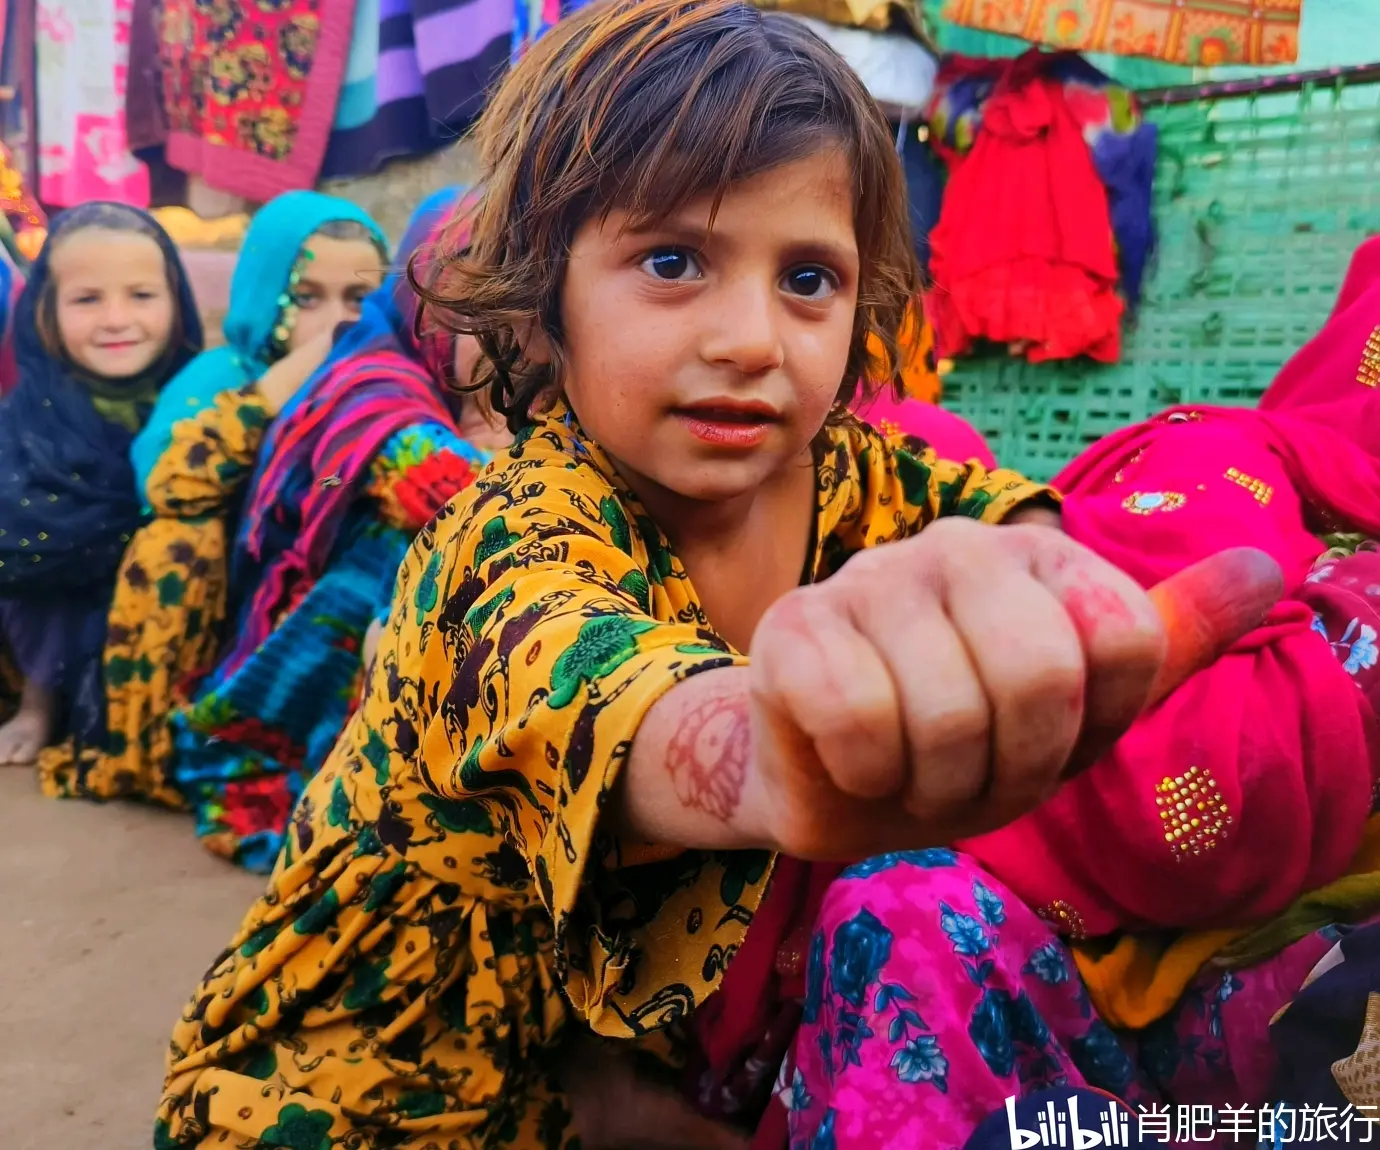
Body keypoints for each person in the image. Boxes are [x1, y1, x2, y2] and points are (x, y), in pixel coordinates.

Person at [152, 3, 1236, 1146]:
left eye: (808, 278)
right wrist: (764, 757)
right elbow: (579, 676)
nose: (753, 339)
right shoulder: (516, 526)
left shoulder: (852, 474)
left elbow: (1012, 526)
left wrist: (1058, 588)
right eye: (673, 261)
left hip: (606, 1033)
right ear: (546, 296)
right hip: (357, 1070)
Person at [161, 188, 505, 872]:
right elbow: (450, 491)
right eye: (476, 310)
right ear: (423, 302)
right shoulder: (369, 379)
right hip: (295, 666)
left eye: (526, 309)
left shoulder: (461, 384)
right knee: (416, 559)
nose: (505, 336)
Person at [39, 192, 389, 804]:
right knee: (175, 538)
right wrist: (281, 384)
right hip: (209, 609)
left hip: (292, 603)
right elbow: (168, 484)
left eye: (358, 298)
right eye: (304, 298)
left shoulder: (374, 384)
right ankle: (172, 731)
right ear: (262, 290)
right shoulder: (220, 375)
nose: (336, 320)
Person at [0, 203, 202, 766]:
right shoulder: (24, 430)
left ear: (177, 302)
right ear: (45, 313)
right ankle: (39, 703)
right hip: (39, 636)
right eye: (87, 299)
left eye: (142, 295)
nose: (117, 319)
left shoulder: (198, 402)